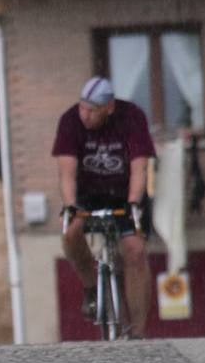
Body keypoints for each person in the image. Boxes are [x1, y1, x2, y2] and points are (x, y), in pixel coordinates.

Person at [52, 76, 156, 338]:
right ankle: (90, 288)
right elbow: (66, 173)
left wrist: (133, 202)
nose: (85, 116)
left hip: (124, 194)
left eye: (92, 110)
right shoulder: (69, 121)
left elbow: (139, 167)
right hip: (87, 193)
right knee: (71, 232)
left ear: (109, 107)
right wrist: (71, 206)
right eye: (82, 108)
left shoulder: (132, 117)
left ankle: (139, 331)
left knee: (135, 252)